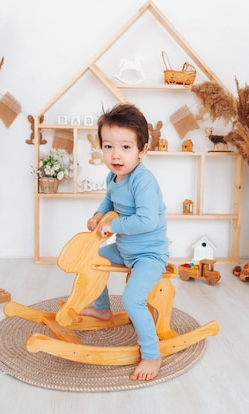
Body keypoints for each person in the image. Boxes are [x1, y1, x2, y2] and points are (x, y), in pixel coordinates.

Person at [80, 103, 169, 381]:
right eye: (108, 146)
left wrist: (112, 225)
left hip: (149, 255)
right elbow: (109, 199)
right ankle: (103, 308)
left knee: (132, 299)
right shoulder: (113, 175)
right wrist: (98, 214)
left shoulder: (142, 181)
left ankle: (152, 354)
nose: (116, 154)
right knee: (92, 260)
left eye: (126, 148)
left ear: (142, 151)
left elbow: (147, 221)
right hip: (125, 249)